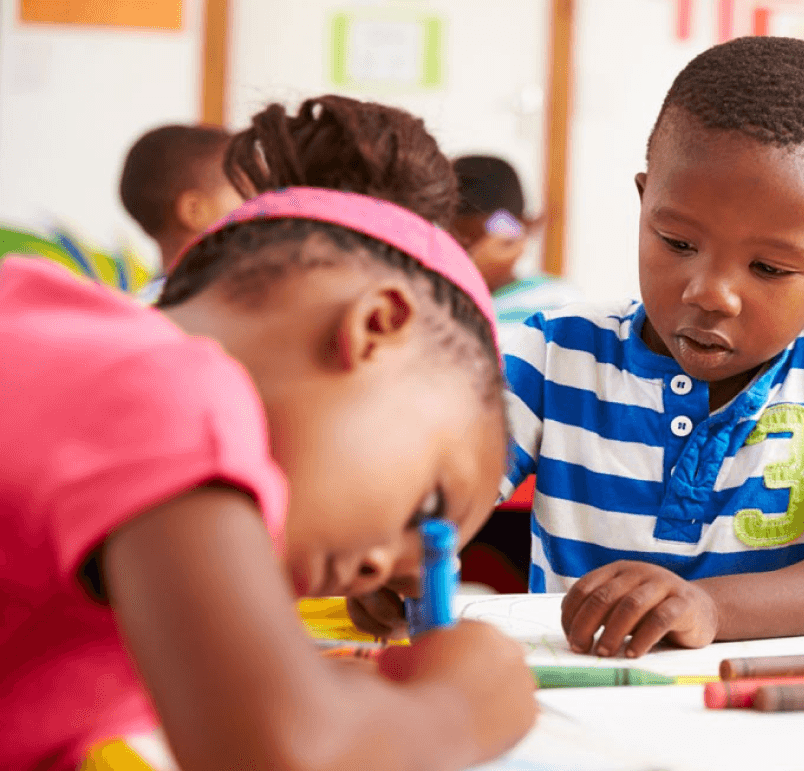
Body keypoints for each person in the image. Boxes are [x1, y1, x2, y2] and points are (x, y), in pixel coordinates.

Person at [351, 36, 804, 658]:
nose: (710, 292)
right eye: (677, 242)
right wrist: (399, 552)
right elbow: (440, 495)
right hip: (583, 701)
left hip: (769, 708)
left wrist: (710, 607)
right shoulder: (556, 351)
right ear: (644, 205)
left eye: (768, 268)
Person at [1, 95, 536, 770]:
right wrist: (460, 709)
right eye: (426, 508)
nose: (382, 570)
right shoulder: (173, 392)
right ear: (377, 328)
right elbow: (285, 754)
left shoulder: (57, 333)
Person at [451, 154, 582, 325]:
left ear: (522, 226)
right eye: (455, 238)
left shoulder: (558, 300)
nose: (467, 249)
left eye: (474, 239)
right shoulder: (436, 299)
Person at [118, 124, 243, 302]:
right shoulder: (212, 307)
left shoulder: (144, 306)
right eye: (248, 192)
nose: (266, 204)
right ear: (195, 210)